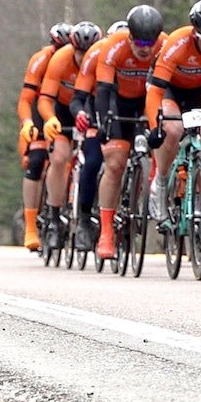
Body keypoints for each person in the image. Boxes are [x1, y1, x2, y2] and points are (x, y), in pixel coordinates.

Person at [144, 0, 201, 243]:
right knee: (172, 129)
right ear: (194, 33)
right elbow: (155, 91)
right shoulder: (177, 43)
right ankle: (160, 183)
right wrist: (154, 126)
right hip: (171, 90)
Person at [94, 5, 166, 260]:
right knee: (115, 163)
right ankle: (105, 233)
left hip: (147, 99)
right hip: (118, 102)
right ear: (130, 37)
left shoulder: (164, 46)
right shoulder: (114, 46)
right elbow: (103, 90)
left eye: (151, 41)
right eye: (140, 41)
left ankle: (155, 184)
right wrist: (103, 123)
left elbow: (165, 87)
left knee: (165, 135)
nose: (145, 48)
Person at [36, 21, 103, 251]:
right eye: (80, 52)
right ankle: (54, 219)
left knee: (95, 159)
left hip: (90, 107)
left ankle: (87, 216)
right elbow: (44, 97)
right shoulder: (60, 60)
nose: (84, 57)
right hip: (63, 110)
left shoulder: (101, 58)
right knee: (59, 157)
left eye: (88, 51)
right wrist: (50, 119)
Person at [68, 20, 128, 252]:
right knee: (92, 161)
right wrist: (82, 114)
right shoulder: (96, 59)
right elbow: (79, 98)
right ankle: (84, 219)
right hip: (96, 112)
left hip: (124, 112)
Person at [17, 22, 73, 251]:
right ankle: (30, 226)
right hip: (41, 112)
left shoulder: (79, 61)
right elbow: (25, 100)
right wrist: (27, 122)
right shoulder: (41, 60)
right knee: (37, 160)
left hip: (66, 109)